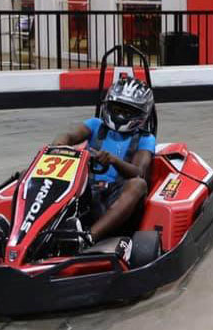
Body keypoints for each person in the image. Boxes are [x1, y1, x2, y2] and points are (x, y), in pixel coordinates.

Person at [51, 76, 156, 243]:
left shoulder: (145, 138)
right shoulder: (95, 125)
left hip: (116, 195)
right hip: (84, 189)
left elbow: (139, 172)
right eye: (117, 108)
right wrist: (58, 145)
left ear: (141, 114)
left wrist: (114, 160)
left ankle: (87, 238)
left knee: (138, 184)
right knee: (30, 174)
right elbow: (69, 136)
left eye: (127, 111)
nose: (120, 115)